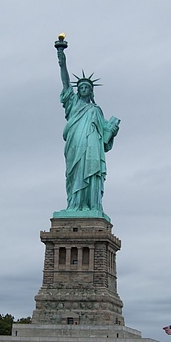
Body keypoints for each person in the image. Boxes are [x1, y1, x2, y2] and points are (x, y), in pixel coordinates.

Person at [56, 42, 120, 213]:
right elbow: (65, 83)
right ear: (78, 91)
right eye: (81, 87)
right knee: (75, 173)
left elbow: (106, 136)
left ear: (91, 92)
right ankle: (75, 205)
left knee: (92, 173)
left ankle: (91, 206)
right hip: (76, 143)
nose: (84, 89)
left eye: (87, 88)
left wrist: (112, 131)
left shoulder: (96, 110)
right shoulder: (73, 104)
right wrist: (62, 59)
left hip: (92, 146)